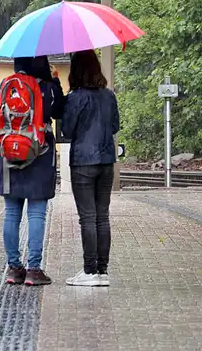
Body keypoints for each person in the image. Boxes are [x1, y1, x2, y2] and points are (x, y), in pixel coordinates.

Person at [0, 56, 64, 286]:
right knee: (36, 213)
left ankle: (14, 268)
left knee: (11, 213)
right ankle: (34, 270)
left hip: (8, 153)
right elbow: (59, 111)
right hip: (39, 152)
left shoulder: (6, 84)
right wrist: (55, 81)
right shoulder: (47, 87)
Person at [61, 49, 120, 287]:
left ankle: (89, 271)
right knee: (102, 216)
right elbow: (115, 126)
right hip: (106, 161)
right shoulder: (109, 95)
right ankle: (102, 271)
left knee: (87, 217)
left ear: (76, 70)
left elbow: (67, 130)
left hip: (83, 162)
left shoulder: (75, 97)